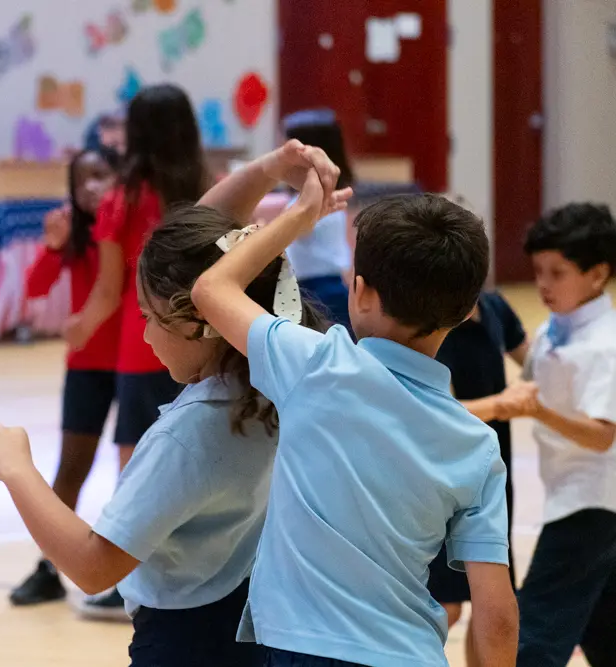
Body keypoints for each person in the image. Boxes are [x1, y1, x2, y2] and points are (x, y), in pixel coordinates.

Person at [191, 142, 518, 667]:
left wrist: (300, 216)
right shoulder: (478, 446)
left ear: (360, 291)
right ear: (463, 314)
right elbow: (497, 617)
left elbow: (211, 288)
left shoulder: (314, 364)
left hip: (303, 649)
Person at [0, 200, 330, 666]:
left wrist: (17, 470)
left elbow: (94, 567)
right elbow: (208, 242)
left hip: (184, 643)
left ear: (193, 321)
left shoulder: (191, 434)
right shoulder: (282, 386)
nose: (144, 336)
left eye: (148, 318)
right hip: (256, 627)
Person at [63, 83, 210, 617]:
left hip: (144, 348)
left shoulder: (122, 199)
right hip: (203, 343)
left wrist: (79, 328)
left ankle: (126, 581)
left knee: (137, 469)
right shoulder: (206, 190)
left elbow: (108, 290)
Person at [10, 148, 122, 606]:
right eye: (80, 180)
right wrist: (53, 246)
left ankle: (128, 575)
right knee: (71, 468)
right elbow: (34, 288)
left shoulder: (132, 223)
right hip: (86, 365)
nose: (90, 186)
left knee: (134, 470)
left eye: (101, 174)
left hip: (139, 361)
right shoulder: (72, 231)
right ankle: (48, 567)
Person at [508, 203, 616, 667]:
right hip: (572, 494)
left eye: (557, 273)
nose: (543, 285)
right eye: (538, 272)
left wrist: (539, 411)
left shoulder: (605, 346)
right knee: (605, 634)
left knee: (534, 635)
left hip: (588, 503)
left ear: (598, 274)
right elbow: (537, 369)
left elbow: (602, 436)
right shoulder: (560, 324)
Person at [428, 287, 528, 665]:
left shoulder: (495, 306)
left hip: (493, 475)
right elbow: (438, 410)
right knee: (447, 605)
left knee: (487, 601)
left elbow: (532, 359)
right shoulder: (437, 320)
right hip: (446, 479)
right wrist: (500, 405)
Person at [281, 109, 355, 332]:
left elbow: (295, 229)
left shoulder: (320, 196)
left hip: (322, 289)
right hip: (311, 286)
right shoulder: (311, 195)